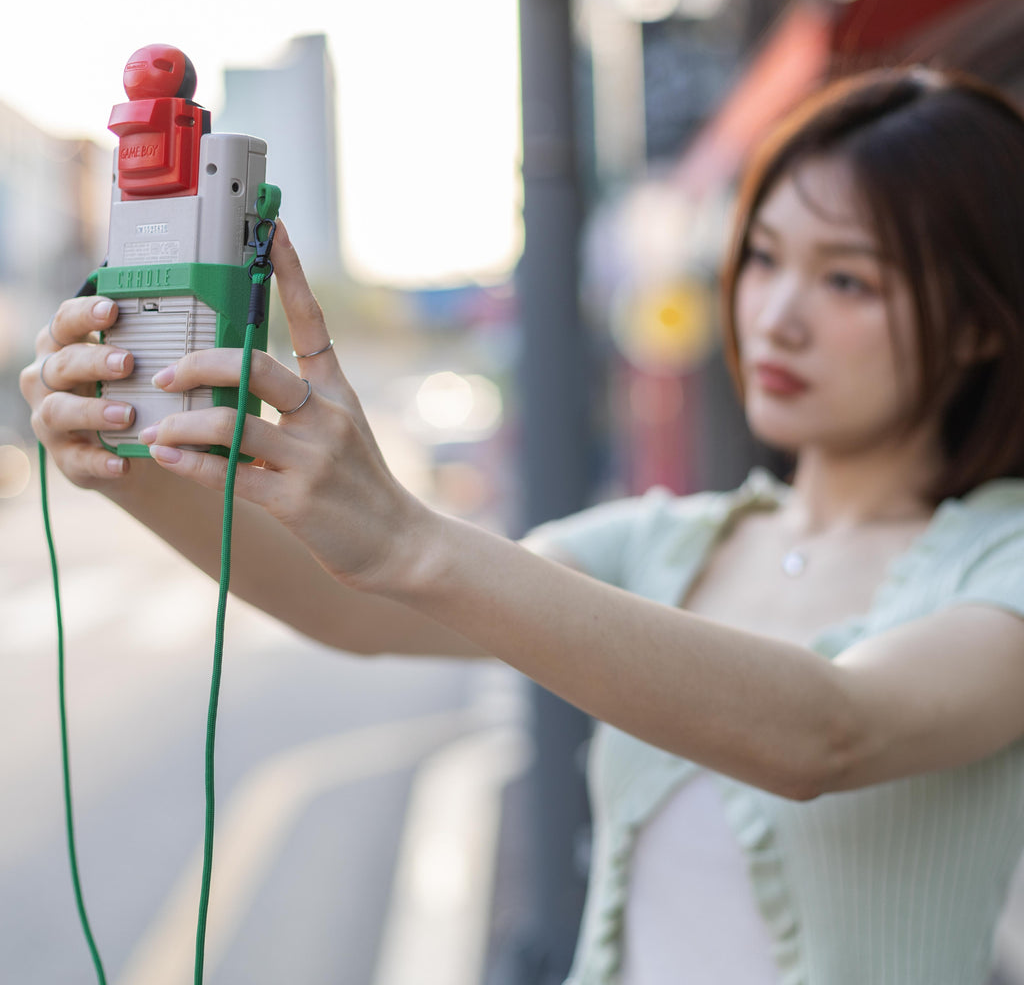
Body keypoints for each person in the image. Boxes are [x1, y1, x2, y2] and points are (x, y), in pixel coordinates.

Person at [21, 65, 1024, 983]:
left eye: (846, 277)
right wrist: (123, 457)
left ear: (983, 318)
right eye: (762, 257)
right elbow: (359, 609)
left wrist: (412, 536)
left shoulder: (1001, 567)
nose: (777, 314)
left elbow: (828, 734)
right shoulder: (666, 542)